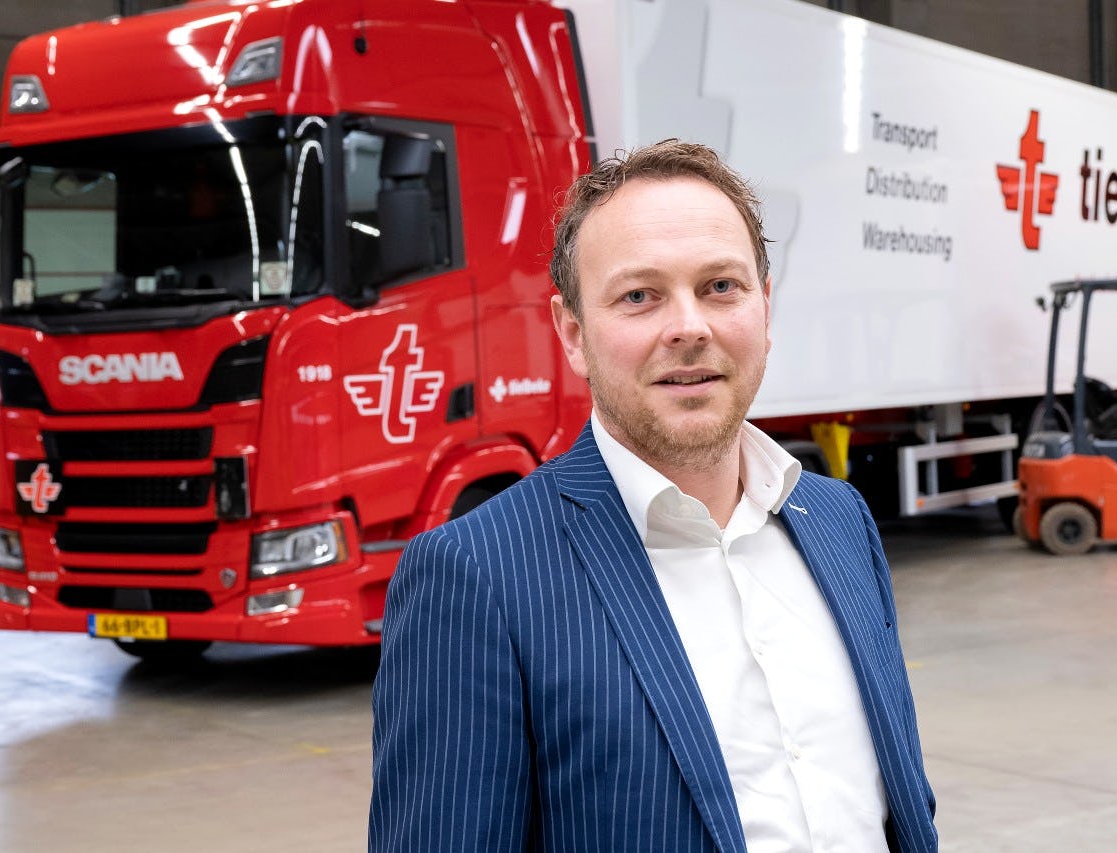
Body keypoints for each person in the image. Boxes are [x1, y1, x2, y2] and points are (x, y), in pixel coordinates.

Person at [369, 140, 938, 852]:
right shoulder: (476, 576)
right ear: (573, 334)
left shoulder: (838, 520)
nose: (690, 327)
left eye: (720, 286)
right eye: (639, 296)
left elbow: (899, 804)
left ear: (765, 308)